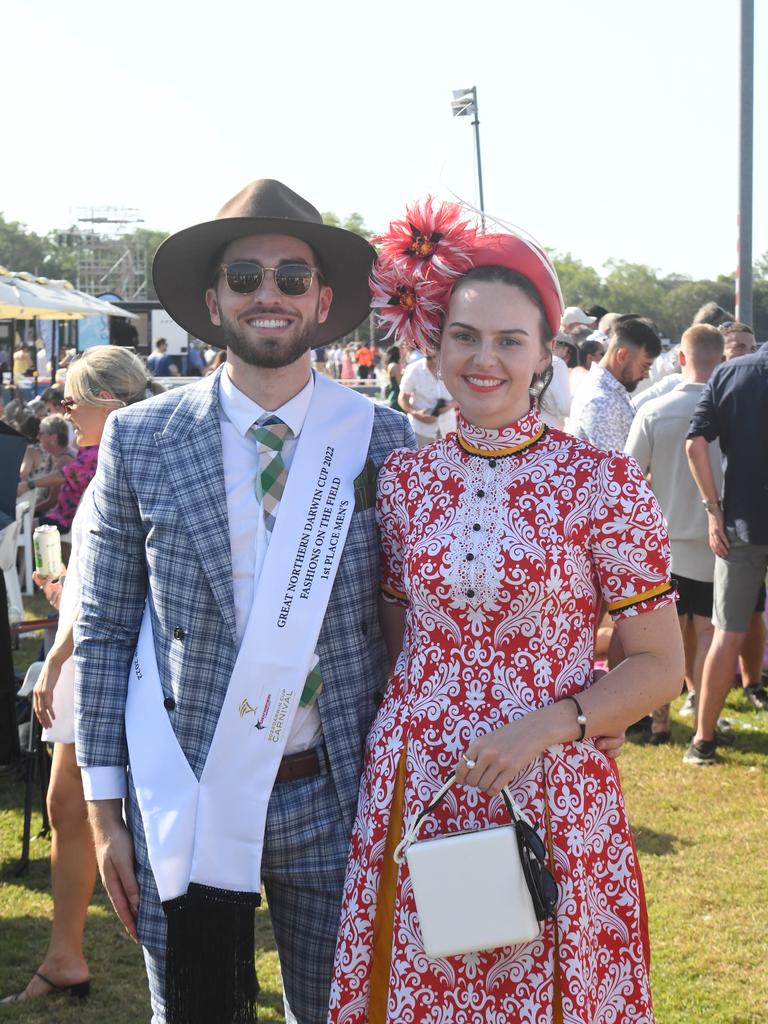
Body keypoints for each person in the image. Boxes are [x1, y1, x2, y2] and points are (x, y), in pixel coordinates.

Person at [330, 200, 683, 1024]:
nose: (484, 358)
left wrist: (554, 723)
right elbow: (402, 643)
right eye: (464, 336)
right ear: (434, 344)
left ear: (545, 357)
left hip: (551, 785)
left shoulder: (602, 483)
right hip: (418, 785)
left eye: (509, 340)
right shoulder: (404, 482)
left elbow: (660, 664)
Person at [73, 179, 414, 1024]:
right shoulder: (141, 438)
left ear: (324, 298)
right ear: (212, 300)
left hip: (335, 793)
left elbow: (413, 628)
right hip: (188, 793)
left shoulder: (383, 437)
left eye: (292, 277)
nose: (269, 294)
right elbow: (108, 628)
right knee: (194, 1014)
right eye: (245, 277)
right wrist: (102, 808)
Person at [1, 346, 150, 1005]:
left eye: (71, 400)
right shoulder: (119, 465)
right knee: (71, 807)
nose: (62, 413)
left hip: (101, 663)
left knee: (97, 812)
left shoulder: (132, 465)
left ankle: (87, 954)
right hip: (89, 652)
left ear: (107, 402)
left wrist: (56, 662)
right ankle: (66, 956)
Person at [625, 324, 725, 742]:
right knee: (705, 632)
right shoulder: (730, 409)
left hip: (661, 543)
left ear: (680, 359)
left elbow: (628, 478)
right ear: (721, 361)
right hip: (713, 538)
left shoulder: (653, 410)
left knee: (664, 637)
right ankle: (705, 719)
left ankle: (661, 720)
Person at [684, 335, 768, 764]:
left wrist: (713, 510)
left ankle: (703, 739)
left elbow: (694, 442)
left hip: (742, 522)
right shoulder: (735, 371)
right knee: (727, 631)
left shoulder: (731, 372)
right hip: (741, 523)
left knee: (726, 632)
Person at [569, 314, 661, 451]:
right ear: (622, 355)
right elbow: (614, 469)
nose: (646, 375)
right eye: (644, 366)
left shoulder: (608, 390)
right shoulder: (601, 401)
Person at [397, 351, 457, 446]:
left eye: (436, 356)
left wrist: (450, 405)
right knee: (419, 460)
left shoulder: (453, 368)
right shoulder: (413, 369)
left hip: (448, 428)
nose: (434, 360)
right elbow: (402, 398)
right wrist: (416, 414)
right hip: (420, 430)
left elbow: (465, 394)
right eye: (429, 358)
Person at [383, 345, 402, 411]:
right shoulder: (394, 365)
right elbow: (400, 382)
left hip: (393, 395)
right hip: (397, 396)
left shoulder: (389, 365)